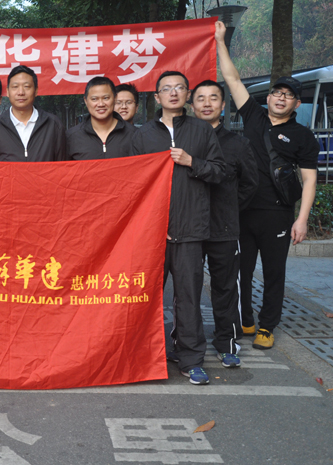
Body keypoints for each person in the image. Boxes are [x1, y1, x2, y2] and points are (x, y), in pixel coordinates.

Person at [215, 21, 318, 350]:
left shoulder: (303, 136)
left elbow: (309, 179)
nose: (281, 98)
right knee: (241, 271)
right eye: (277, 93)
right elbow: (232, 79)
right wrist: (220, 41)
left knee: (274, 273)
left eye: (288, 95)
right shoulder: (254, 116)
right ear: (269, 97)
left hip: (277, 214)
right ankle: (246, 319)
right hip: (243, 209)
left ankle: (268, 325)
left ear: (296, 104)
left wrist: (301, 219)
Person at [131, 70, 225, 385]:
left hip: (190, 231)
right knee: (145, 298)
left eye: (179, 88)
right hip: (152, 234)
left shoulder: (202, 130)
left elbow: (220, 172)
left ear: (187, 95)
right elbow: (132, 183)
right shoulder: (143, 135)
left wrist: (191, 162)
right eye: (166, 89)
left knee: (188, 298)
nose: (173, 93)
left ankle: (191, 360)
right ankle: (144, 357)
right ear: (157, 97)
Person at [191, 79, 259, 366]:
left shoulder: (238, 144)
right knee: (188, 290)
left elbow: (250, 184)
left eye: (213, 98)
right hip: (188, 229)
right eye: (201, 98)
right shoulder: (182, 140)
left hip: (224, 229)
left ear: (222, 105)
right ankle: (186, 343)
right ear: (191, 105)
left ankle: (226, 343)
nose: (207, 103)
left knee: (226, 288)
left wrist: (229, 208)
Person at [0, 65, 66, 162]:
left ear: (36, 91)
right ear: (8, 92)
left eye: (26, 86)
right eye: (15, 87)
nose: (21, 92)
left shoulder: (53, 125)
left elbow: (61, 167)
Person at [67, 76, 135, 160]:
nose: (101, 104)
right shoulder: (71, 137)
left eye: (106, 98)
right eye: (94, 99)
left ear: (115, 98)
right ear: (86, 101)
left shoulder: (134, 135)